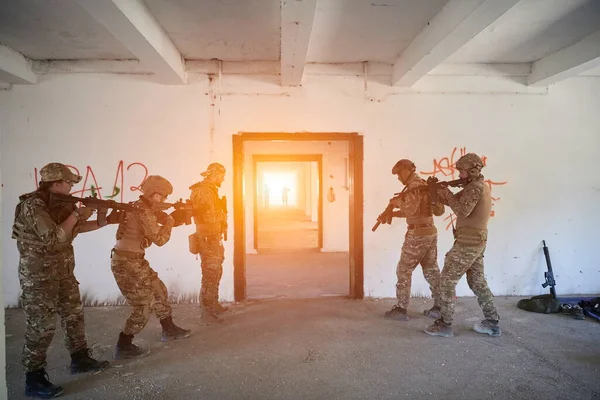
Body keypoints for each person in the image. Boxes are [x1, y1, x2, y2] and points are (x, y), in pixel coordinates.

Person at [12, 162, 110, 398]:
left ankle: (80, 358)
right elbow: (54, 239)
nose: (72, 188)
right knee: (42, 327)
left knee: (74, 314)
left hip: (63, 271)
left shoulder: (60, 204)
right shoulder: (33, 206)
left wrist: (103, 220)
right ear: (56, 183)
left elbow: (72, 231)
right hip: (38, 276)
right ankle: (33, 379)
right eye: (69, 183)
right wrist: (77, 213)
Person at [111, 175, 191, 360]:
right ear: (154, 193)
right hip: (127, 263)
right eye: (163, 196)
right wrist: (170, 221)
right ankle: (124, 344)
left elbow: (132, 234)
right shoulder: (143, 211)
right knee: (143, 306)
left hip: (134, 260)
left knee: (159, 290)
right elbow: (161, 240)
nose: (163, 200)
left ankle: (168, 329)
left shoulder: (138, 206)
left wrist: (165, 219)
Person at [424, 153, 501, 338]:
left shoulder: (475, 188)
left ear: (473, 171)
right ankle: (492, 322)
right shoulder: (476, 186)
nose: (459, 176)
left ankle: (445, 324)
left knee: (446, 282)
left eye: (462, 172)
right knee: (477, 282)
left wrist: (447, 194)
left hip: (468, 243)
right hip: (475, 241)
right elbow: (453, 201)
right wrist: (435, 190)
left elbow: (461, 210)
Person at [381, 159, 445, 321]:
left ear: (405, 171)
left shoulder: (414, 187)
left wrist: (395, 202)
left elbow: (410, 208)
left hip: (418, 235)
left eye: (398, 174)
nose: (398, 178)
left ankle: (401, 309)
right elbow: (415, 212)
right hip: (429, 232)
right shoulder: (421, 184)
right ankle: (441, 306)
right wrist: (393, 214)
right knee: (431, 270)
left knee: (403, 269)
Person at [189, 163, 228, 322]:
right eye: (221, 175)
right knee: (210, 275)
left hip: (213, 237)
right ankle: (206, 312)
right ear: (214, 175)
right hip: (208, 238)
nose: (223, 178)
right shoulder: (205, 191)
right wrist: (222, 215)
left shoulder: (209, 190)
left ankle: (213, 304)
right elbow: (210, 217)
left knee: (216, 271)